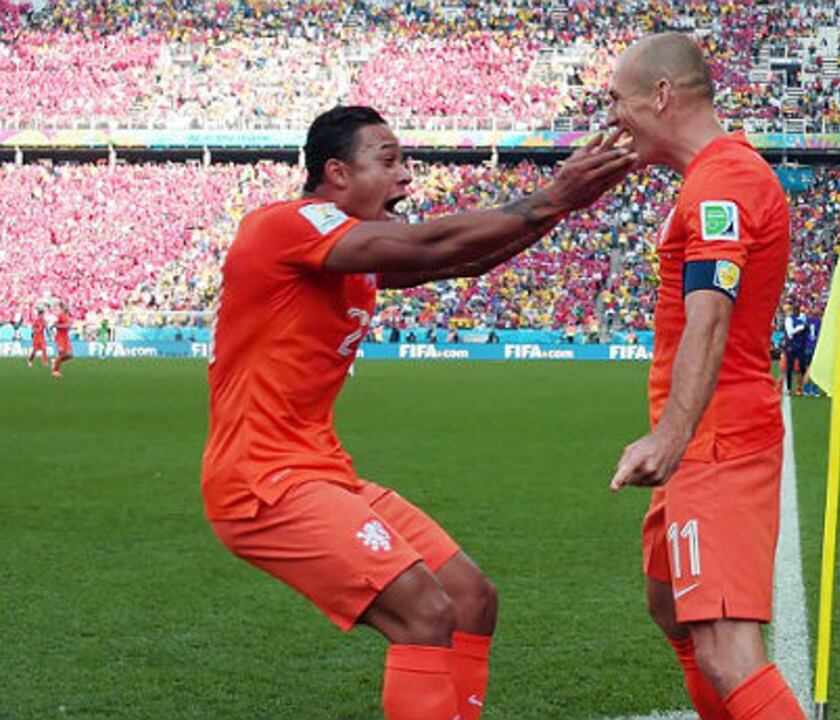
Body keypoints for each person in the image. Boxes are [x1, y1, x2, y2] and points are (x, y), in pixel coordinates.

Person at [200, 106, 635, 720]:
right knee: (425, 612)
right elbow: (432, 241)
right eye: (389, 160)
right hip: (262, 483)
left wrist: (562, 206)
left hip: (321, 472)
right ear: (336, 174)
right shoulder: (286, 225)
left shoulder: (352, 253)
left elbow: (464, 259)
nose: (407, 175)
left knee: (470, 598)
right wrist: (553, 194)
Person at [604, 34, 806, 720]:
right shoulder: (708, 179)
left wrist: (671, 434)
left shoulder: (727, 181)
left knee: (725, 646)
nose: (613, 117)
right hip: (701, 440)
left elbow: (710, 315)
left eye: (618, 101)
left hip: (720, 439)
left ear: (661, 95)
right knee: (670, 606)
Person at [782, 304, 809, 396]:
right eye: (796, 310)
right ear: (793, 310)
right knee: (790, 368)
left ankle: (800, 387)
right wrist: (801, 328)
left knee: (802, 368)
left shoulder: (802, 319)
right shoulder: (789, 319)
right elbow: (790, 333)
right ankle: (788, 388)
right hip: (791, 347)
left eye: (799, 310)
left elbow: (806, 332)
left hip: (801, 347)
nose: (798, 312)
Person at [50, 303, 73, 379]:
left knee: (69, 355)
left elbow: (68, 326)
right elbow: (54, 325)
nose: (68, 307)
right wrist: (64, 326)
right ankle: (55, 371)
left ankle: (55, 361)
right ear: (63, 308)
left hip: (66, 337)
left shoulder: (68, 316)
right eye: (66, 306)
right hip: (60, 337)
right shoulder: (60, 315)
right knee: (62, 353)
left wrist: (68, 326)